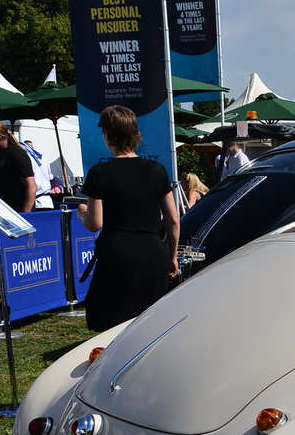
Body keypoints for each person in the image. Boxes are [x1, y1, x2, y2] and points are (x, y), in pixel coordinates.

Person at [76, 105, 180, 332]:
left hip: (118, 254)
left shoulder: (100, 173)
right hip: (152, 251)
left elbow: (95, 223)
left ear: (107, 135)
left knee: (112, 322)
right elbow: (173, 220)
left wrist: (82, 213)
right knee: (150, 322)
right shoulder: (157, 170)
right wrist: (171, 256)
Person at [0, 119, 36, 212]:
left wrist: (25, 214)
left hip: (16, 208)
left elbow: (31, 185)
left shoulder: (15, 154)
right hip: (0, 209)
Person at [23, 138, 55, 208]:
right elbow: (50, 177)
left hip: (38, 201)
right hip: (44, 201)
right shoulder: (41, 158)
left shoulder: (30, 158)